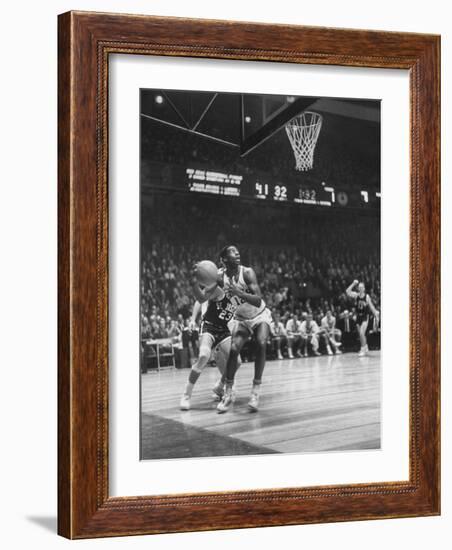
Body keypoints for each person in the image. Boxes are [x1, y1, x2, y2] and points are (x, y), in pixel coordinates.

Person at [217, 245, 272, 413]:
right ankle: (228, 392)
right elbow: (207, 288)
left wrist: (239, 293)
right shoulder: (220, 277)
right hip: (241, 318)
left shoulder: (247, 272)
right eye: (232, 252)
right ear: (225, 259)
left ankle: (255, 392)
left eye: (238, 251)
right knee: (234, 350)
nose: (237, 253)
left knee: (261, 343)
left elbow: (258, 299)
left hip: (259, 315)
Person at [179, 266, 237, 411]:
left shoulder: (238, 296)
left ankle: (220, 386)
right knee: (204, 356)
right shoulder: (216, 288)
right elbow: (200, 299)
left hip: (224, 329)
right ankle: (186, 395)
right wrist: (194, 284)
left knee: (237, 361)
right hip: (209, 326)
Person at [346, 280, 380, 356]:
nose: (360, 288)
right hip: (358, 316)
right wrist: (353, 283)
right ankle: (365, 347)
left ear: (364, 288)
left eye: (362, 287)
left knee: (361, 333)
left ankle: (363, 349)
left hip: (365, 316)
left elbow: (371, 306)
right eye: (359, 287)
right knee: (361, 335)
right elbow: (347, 291)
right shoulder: (356, 295)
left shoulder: (367, 297)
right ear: (358, 288)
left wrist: (376, 314)